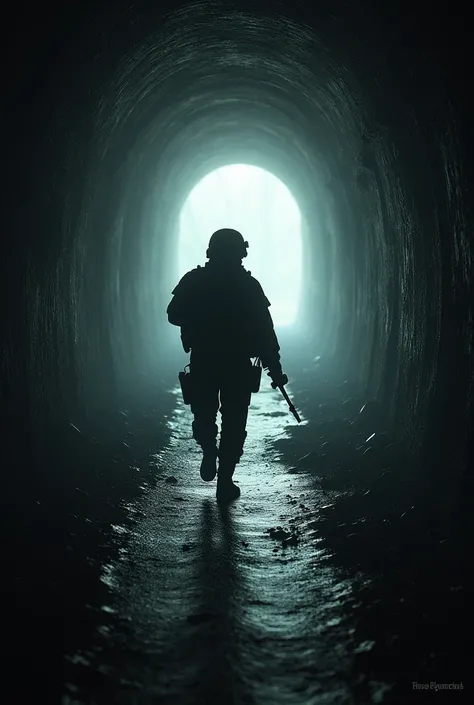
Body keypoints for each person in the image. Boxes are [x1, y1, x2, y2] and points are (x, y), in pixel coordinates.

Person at [166, 228, 287, 502]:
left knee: (204, 414)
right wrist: (275, 368)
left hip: (204, 360)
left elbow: (173, 314)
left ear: (211, 251)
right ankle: (225, 480)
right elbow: (266, 332)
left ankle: (209, 450)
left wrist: (198, 318)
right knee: (234, 422)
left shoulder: (195, 280)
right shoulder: (248, 286)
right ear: (240, 254)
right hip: (237, 364)